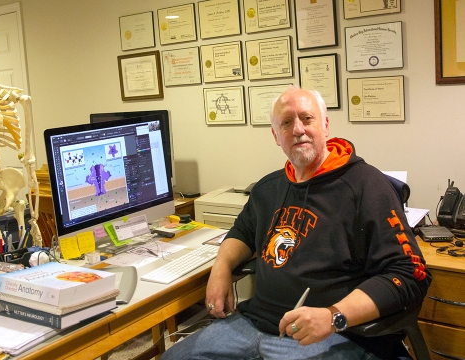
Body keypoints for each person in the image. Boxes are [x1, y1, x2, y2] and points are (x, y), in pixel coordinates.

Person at [161, 86, 431, 360]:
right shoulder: (268, 188)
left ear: (325, 125)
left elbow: (410, 274)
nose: (298, 129)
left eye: (307, 118)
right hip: (254, 322)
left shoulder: (367, 186)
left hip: (331, 334)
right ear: (276, 136)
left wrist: (332, 316)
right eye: (287, 122)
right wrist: (221, 267)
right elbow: (242, 232)